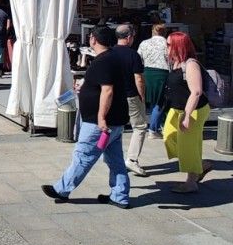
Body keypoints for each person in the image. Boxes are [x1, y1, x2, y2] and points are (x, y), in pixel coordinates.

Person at [41, 26, 131, 208]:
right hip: (116, 120)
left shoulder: (104, 61)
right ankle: (119, 195)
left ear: (93, 40)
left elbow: (108, 91)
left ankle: (62, 189)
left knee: (84, 155)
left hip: (100, 123)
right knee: (115, 160)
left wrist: (101, 117)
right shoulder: (113, 58)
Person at [162, 32, 214, 193]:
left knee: (188, 145)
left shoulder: (191, 64)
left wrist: (187, 115)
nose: (166, 47)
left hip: (193, 110)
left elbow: (196, 92)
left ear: (179, 46)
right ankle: (199, 166)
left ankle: (191, 183)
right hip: (177, 109)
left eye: (169, 45)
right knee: (169, 137)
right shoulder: (175, 62)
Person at [113, 24, 149, 177]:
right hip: (131, 94)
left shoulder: (109, 53)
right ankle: (132, 159)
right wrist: (143, 96)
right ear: (129, 37)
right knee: (140, 126)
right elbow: (139, 78)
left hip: (114, 95)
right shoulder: (133, 55)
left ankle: (112, 158)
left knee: (115, 127)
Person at [137, 24, 170, 138]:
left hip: (147, 73)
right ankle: (153, 128)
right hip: (162, 74)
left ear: (152, 32)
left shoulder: (144, 43)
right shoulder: (167, 44)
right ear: (164, 32)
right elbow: (171, 59)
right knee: (160, 102)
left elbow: (139, 58)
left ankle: (157, 125)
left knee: (151, 101)